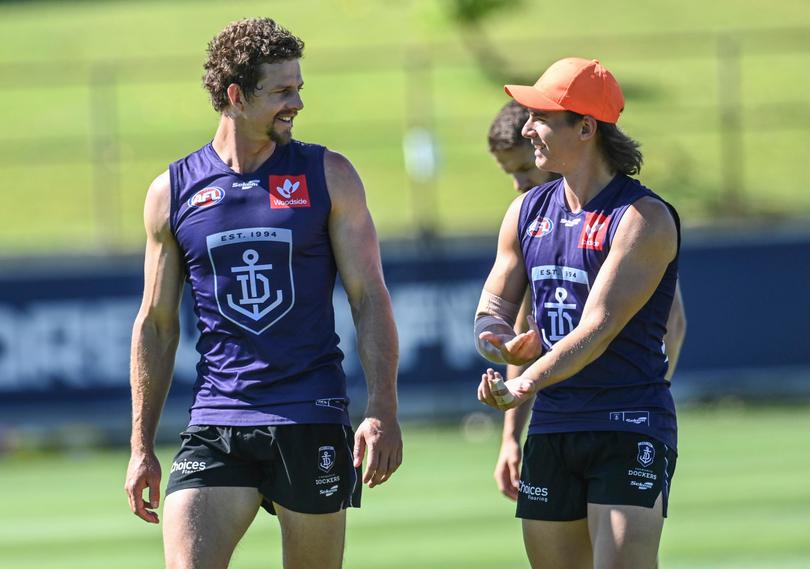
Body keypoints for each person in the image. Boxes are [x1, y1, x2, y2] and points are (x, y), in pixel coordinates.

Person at [124, 18, 402, 569]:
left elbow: (368, 296)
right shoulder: (172, 191)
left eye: (297, 88)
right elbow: (155, 324)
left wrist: (383, 410)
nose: (297, 103)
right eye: (281, 91)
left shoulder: (330, 175)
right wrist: (140, 448)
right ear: (235, 95)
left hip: (310, 415)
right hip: (217, 418)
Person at [474, 57, 685, 569]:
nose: (528, 129)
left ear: (586, 127)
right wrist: (496, 340)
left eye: (541, 118)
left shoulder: (643, 218)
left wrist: (523, 384)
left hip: (627, 422)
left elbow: (598, 328)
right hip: (553, 426)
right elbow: (494, 306)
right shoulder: (526, 211)